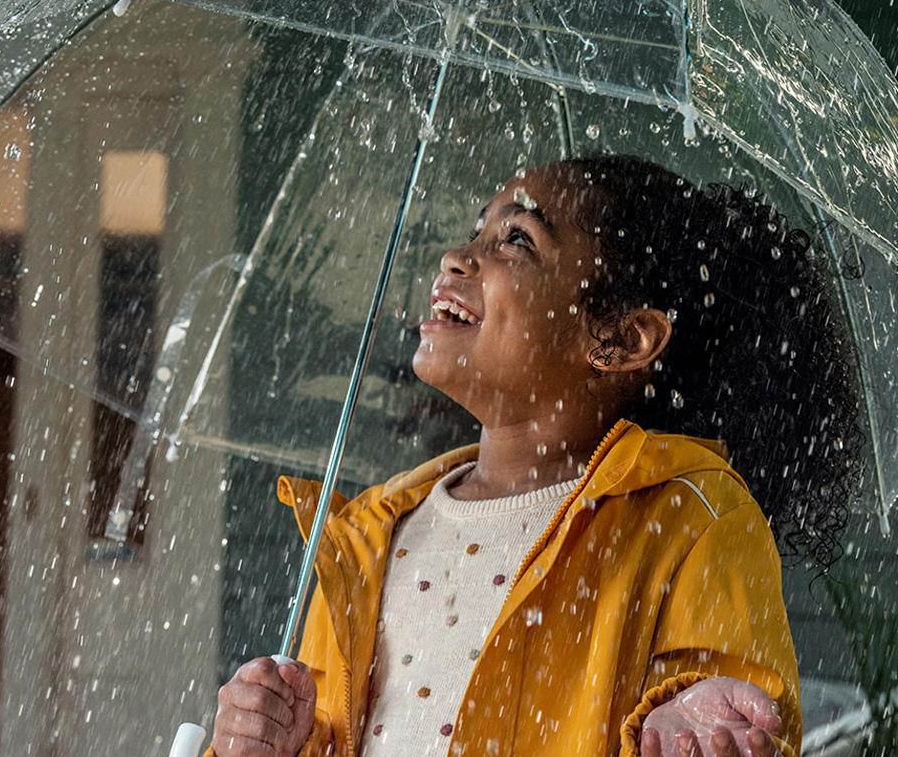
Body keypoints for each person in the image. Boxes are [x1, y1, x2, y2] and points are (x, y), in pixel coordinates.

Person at [210, 156, 864, 757]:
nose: (455, 257)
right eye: (477, 230)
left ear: (620, 338)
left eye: (516, 239)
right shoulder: (366, 536)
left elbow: (725, 716)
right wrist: (265, 743)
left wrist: (693, 728)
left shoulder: (692, 520)